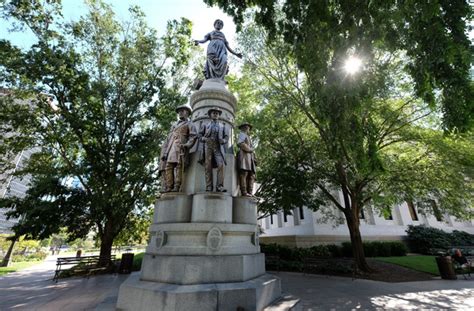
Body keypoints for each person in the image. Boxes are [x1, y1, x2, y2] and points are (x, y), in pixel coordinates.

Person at [161, 105, 196, 192]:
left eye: (182, 111)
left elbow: (193, 136)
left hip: (181, 147)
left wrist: (187, 145)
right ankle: (169, 186)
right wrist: (165, 152)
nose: (180, 112)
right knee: (168, 166)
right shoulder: (174, 125)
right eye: (179, 111)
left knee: (179, 166)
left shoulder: (190, 124)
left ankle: (177, 185)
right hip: (171, 147)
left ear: (187, 113)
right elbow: (169, 138)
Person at [198, 107, 229, 192]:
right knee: (208, 166)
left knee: (221, 165)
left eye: (217, 113)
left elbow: (226, 137)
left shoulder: (222, 126)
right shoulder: (205, 124)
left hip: (218, 147)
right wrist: (204, 139)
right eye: (213, 113)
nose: (215, 114)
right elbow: (199, 136)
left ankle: (219, 186)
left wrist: (224, 140)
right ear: (210, 115)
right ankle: (209, 186)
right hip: (208, 147)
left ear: (219, 115)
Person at [236, 122, 257, 196]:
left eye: (248, 127)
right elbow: (240, 143)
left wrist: (254, 157)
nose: (248, 128)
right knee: (244, 174)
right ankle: (244, 192)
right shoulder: (242, 134)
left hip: (250, 158)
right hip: (244, 157)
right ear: (243, 128)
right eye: (246, 127)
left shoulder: (248, 137)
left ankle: (250, 192)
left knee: (251, 175)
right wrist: (250, 150)